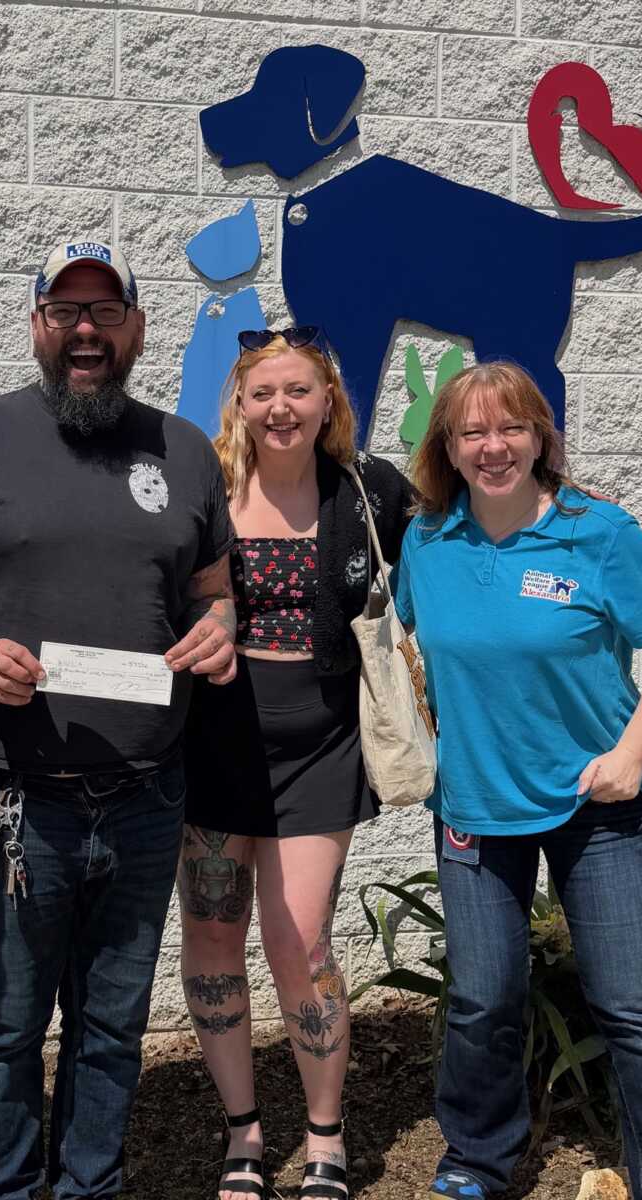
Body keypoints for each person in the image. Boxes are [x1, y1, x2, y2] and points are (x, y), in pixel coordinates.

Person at [0, 240, 238, 1200]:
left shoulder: (185, 450)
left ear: (136, 327)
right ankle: (5, 1187)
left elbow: (214, 594)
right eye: (66, 311)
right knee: (6, 1022)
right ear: (37, 322)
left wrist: (217, 632)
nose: (86, 330)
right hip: (8, 796)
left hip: (146, 793)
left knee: (113, 1024)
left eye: (105, 312)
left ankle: (90, 1186)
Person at [391, 362, 642, 1200]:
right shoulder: (427, 541)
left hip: (596, 808)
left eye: (510, 428)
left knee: (632, 1006)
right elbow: (392, 646)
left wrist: (631, 754)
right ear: (448, 448)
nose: (492, 447)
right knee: (482, 1000)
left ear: (539, 437)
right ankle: (477, 1159)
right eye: (471, 432)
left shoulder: (596, 532)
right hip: (474, 806)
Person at [178, 327, 413, 1200]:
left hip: (320, 743)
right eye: (263, 392)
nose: (280, 408)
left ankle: (324, 1135)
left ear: (328, 402)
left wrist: (559, 499)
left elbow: (462, 523)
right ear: (239, 403)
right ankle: (242, 1131)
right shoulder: (203, 487)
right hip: (213, 744)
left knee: (299, 939)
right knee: (211, 932)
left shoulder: (368, 487)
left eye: (298, 391)